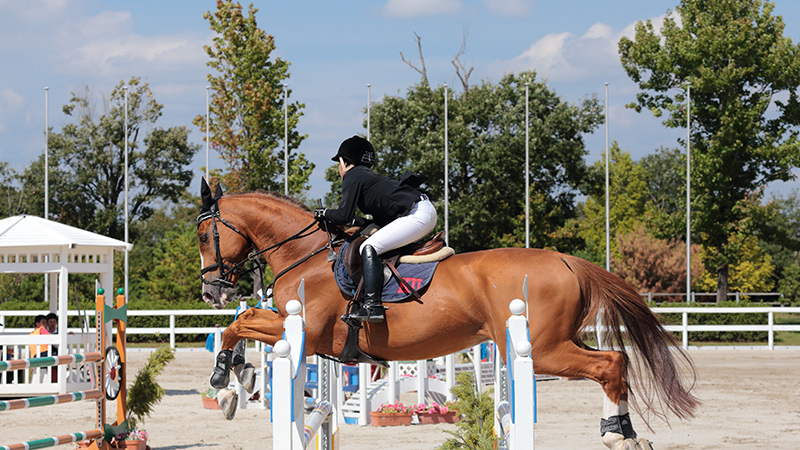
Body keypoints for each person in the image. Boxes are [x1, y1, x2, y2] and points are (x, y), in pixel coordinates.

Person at [315, 136, 437, 323]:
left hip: (416, 214)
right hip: (422, 211)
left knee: (368, 247)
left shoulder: (353, 175)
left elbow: (343, 215)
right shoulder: (367, 177)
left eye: (339, 164)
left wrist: (324, 213)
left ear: (344, 162)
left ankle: (373, 306)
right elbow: (364, 218)